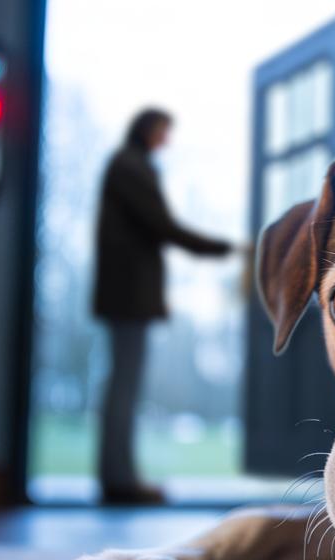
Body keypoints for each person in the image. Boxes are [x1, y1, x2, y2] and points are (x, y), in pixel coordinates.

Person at [92, 108, 232, 504]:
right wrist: (217, 247)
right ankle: (119, 481)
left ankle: (118, 477)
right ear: (146, 130)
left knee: (123, 385)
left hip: (126, 296)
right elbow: (161, 225)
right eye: (162, 132)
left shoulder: (129, 166)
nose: (165, 141)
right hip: (127, 297)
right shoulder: (130, 167)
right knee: (123, 387)